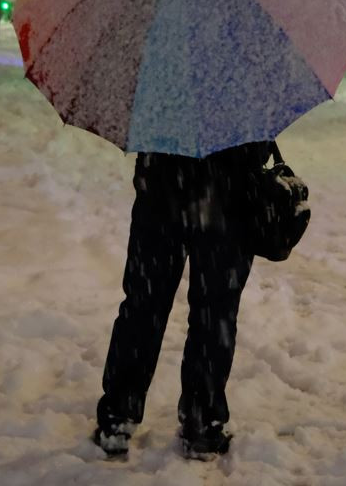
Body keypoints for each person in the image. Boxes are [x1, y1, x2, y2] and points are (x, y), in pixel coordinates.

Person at [95, 141, 272, 461]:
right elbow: (258, 146)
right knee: (215, 313)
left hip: (162, 193)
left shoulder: (159, 92)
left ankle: (118, 416)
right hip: (228, 199)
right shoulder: (250, 93)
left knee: (143, 307)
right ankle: (203, 422)